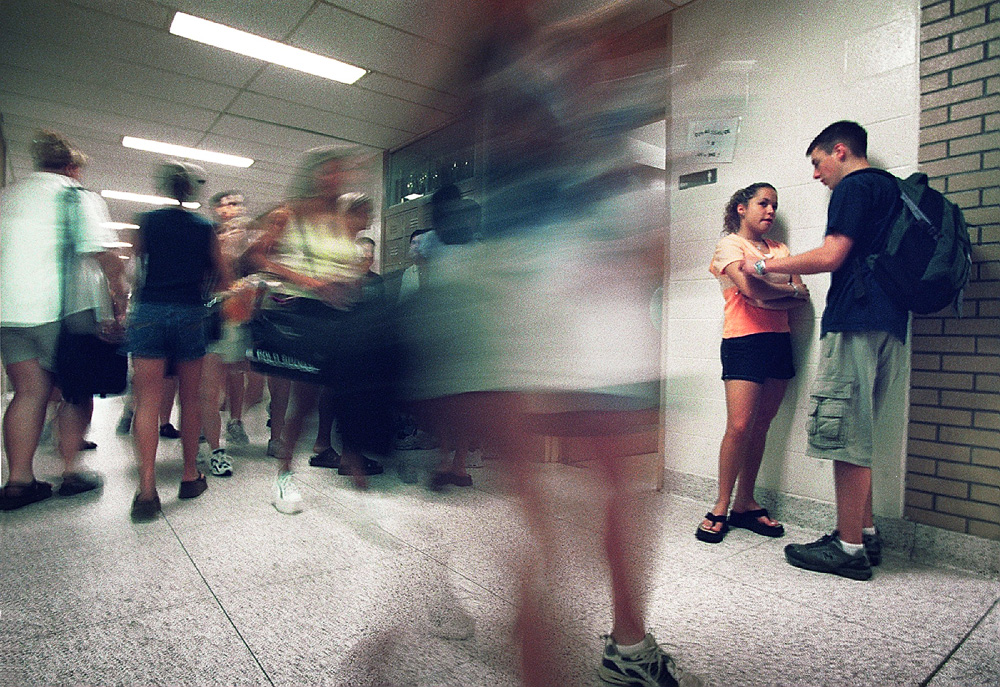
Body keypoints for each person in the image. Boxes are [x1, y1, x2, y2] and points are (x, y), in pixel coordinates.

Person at [401, 3, 698, 685]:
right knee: (569, 503)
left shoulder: (522, 75)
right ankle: (616, 644)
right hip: (562, 307)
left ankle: (611, 641)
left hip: (532, 307)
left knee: (549, 504)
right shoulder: (539, 81)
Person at [741, 120, 907, 580]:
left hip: (855, 320)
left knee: (845, 431)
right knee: (863, 431)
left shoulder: (855, 187)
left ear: (839, 151)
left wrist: (765, 262)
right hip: (892, 326)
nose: (816, 175)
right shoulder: (894, 192)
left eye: (817, 163)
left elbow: (831, 256)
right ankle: (866, 533)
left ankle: (848, 546)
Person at [246, 148, 383, 512]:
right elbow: (258, 256)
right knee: (304, 402)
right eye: (328, 173)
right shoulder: (290, 212)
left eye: (340, 174)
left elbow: (347, 265)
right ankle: (284, 474)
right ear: (314, 175)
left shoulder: (341, 220)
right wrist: (308, 280)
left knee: (350, 389)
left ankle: (351, 456)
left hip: (341, 316)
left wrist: (348, 282)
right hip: (307, 313)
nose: (335, 180)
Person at [0, 130, 127, 510]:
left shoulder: (8, 196)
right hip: (61, 313)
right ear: (72, 168)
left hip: (9, 313)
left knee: (28, 392)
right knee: (75, 390)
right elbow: (105, 255)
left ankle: (19, 482)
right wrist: (119, 301)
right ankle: (71, 472)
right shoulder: (76, 196)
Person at [696, 183, 810, 543]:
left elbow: (801, 295)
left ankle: (745, 504)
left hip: (779, 341)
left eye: (775, 205)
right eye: (763, 203)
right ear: (742, 208)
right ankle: (720, 506)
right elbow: (750, 291)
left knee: (762, 425)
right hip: (743, 340)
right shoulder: (729, 245)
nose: (771, 210)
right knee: (740, 426)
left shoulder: (780, 249)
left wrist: (775, 294)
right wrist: (779, 291)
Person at [124, 161, 230, 521]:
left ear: (164, 187)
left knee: (148, 401)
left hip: (149, 310)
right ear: (193, 191)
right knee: (191, 398)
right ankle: (189, 476)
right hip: (189, 312)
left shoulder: (147, 221)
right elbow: (223, 276)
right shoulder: (206, 228)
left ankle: (147, 490)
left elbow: (132, 270)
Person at [197, 189, 259, 477]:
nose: (233, 209)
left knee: (241, 379)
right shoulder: (206, 239)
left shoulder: (251, 245)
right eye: (226, 205)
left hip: (240, 318)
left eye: (238, 203)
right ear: (217, 210)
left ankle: (230, 423)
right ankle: (214, 447)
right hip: (210, 317)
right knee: (209, 388)